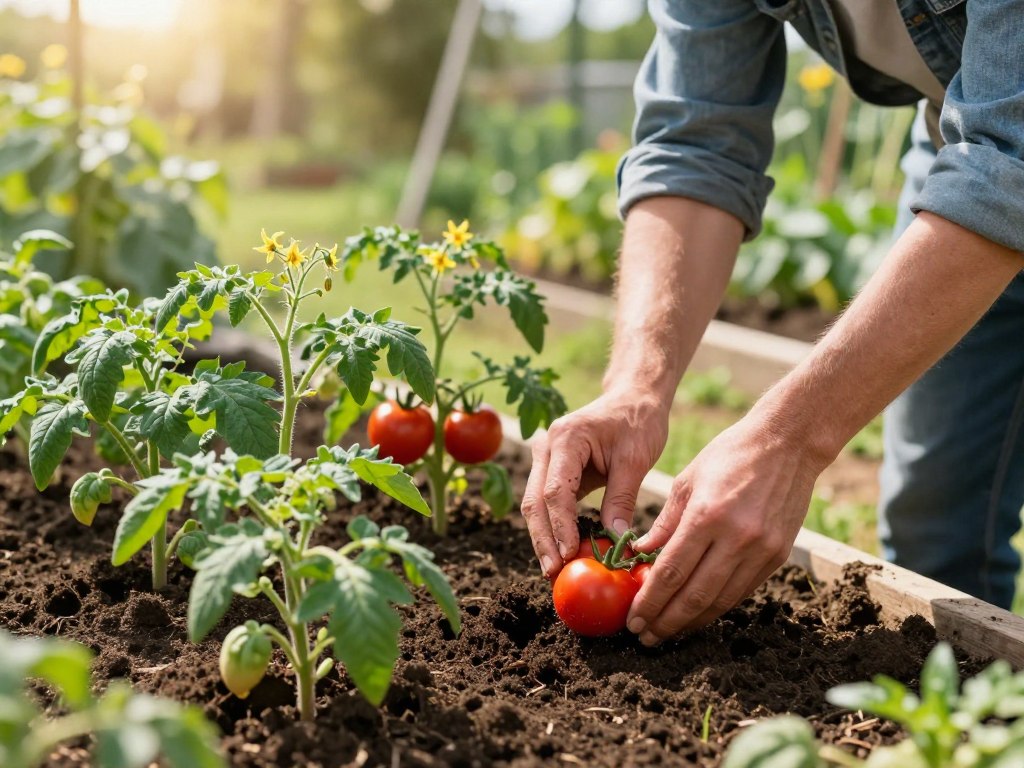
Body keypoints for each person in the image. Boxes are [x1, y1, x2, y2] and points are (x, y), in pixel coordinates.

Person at [522, 0, 1024, 647]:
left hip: (999, 155)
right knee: (937, 525)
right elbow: (695, 141)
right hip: (972, 149)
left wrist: (790, 439)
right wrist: (635, 387)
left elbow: (1010, 165)